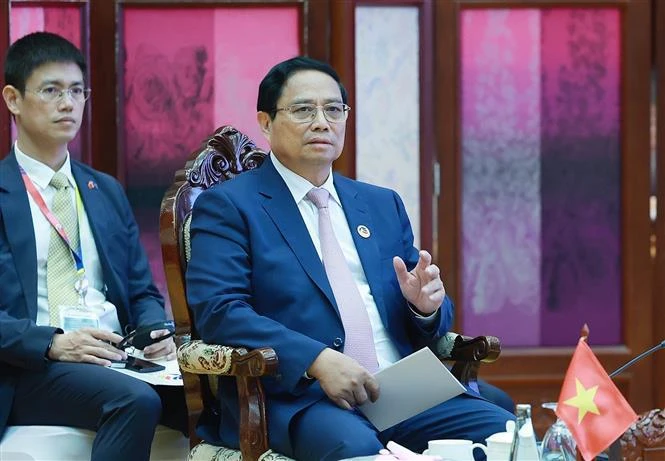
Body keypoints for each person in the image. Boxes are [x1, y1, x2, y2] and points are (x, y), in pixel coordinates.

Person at [186, 56, 515, 461]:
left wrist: (424, 308)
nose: (322, 122)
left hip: (401, 391)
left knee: (506, 436)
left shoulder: (380, 205)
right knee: (359, 451)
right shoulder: (230, 207)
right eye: (304, 109)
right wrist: (317, 360)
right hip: (304, 399)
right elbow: (220, 311)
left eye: (334, 110)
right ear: (266, 122)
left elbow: (434, 316)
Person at [0, 32, 186, 461]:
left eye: (77, 91)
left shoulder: (104, 190)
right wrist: (52, 343)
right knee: (132, 401)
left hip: (114, 356)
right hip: (32, 365)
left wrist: (155, 331)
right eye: (51, 91)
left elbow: (141, 290)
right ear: (13, 99)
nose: (68, 103)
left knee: (219, 396)